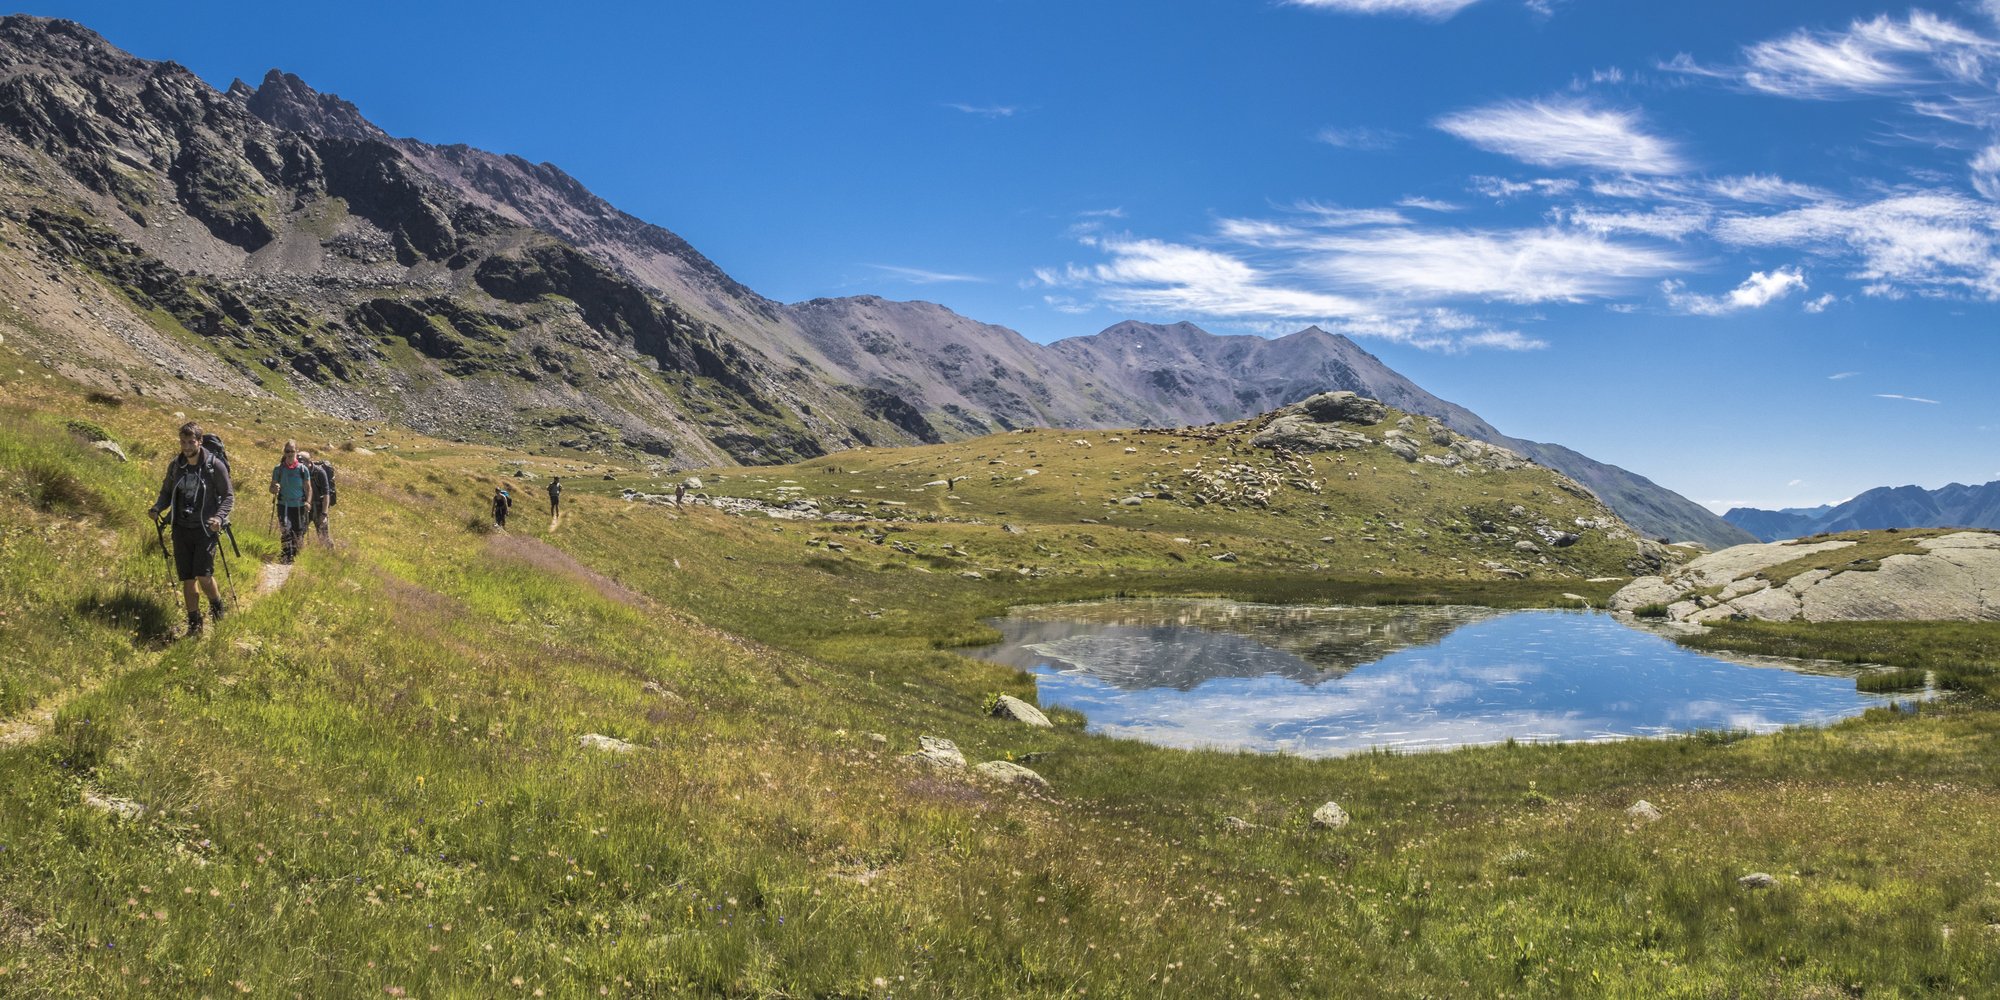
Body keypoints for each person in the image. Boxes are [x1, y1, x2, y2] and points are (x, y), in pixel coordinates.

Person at [147, 421, 234, 635]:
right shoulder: (176, 465)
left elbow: (228, 496)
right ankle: (195, 624)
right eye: (183, 442)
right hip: (180, 528)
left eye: (190, 442)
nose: (186, 447)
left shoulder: (214, 466)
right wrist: (158, 507)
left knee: (203, 576)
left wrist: (219, 518)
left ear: (199, 441)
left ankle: (217, 606)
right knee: (187, 578)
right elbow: (166, 492)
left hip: (205, 529)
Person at [269, 440, 313, 564]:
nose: (289, 453)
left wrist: (308, 502)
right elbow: (271, 488)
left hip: (299, 505)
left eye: (292, 451)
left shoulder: (303, 470)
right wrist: (274, 488)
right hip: (283, 504)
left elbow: (308, 488)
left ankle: (295, 555)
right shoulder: (278, 469)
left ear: (296, 452)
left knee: (298, 531)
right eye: (287, 451)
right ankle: (286, 556)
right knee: (285, 529)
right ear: (284, 452)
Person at [301, 450, 333, 545]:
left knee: (323, 536)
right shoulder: (299, 471)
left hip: (319, 507)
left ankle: (329, 554)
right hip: (305, 505)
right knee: (299, 533)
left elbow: (326, 494)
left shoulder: (320, 472)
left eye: (302, 463)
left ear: (308, 462)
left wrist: (324, 514)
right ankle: (297, 552)